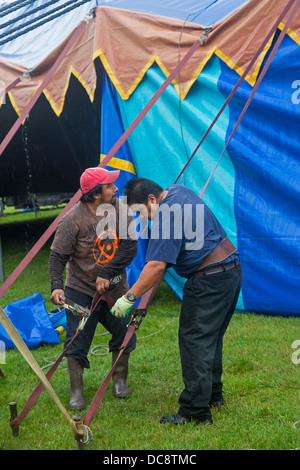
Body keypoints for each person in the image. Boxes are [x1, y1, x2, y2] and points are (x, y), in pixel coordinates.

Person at [111, 177, 242, 425]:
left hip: (209, 280)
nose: (144, 219)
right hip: (231, 271)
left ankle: (195, 410)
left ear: (151, 199)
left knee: (194, 342)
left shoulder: (165, 217)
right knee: (210, 338)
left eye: (141, 212)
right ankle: (213, 395)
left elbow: (156, 266)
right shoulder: (178, 190)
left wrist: (128, 298)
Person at [49, 167, 138, 410]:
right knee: (76, 341)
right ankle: (77, 391)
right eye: (110, 186)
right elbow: (57, 256)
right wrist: (57, 286)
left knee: (125, 333)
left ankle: (119, 380)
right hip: (80, 290)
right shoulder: (72, 220)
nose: (116, 189)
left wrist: (107, 273)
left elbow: (129, 248)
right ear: (96, 194)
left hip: (115, 288)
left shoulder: (121, 210)